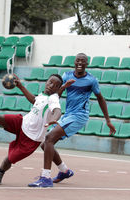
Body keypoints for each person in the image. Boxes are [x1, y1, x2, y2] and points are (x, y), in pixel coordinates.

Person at [28, 53, 116, 188]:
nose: (80, 63)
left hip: (79, 116)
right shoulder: (66, 76)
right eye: (78, 60)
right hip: (68, 114)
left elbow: (100, 98)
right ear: (74, 62)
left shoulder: (91, 80)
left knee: (49, 138)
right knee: (45, 143)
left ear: (87, 64)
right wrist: (62, 88)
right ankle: (64, 171)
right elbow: (57, 94)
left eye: (83, 61)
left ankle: (45, 178)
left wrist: (108, 120)